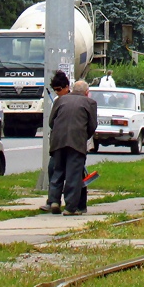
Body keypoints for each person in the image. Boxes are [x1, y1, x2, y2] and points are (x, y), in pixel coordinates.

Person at [45, 79, 97, 216]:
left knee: (57, 171)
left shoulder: (60, 100)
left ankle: (54, 201)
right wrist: (84, 136)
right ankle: (70, 207)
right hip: (76, 142)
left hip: (58, 141)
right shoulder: (90, 103)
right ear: (87, 92)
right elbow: (92, 125)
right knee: (73, 175)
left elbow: (51, 121)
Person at [40, 71, 70, 214]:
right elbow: (51, 122)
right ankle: (53, 201)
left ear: (67, 87)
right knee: (54, 170)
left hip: (69, 143)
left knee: (66, 172)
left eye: (59, 90)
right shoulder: (58, 101)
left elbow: (52, 122)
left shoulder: (64, 101)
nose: (57, 93)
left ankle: (66, 202)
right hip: (59, 143)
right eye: (55, 90)